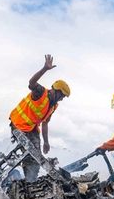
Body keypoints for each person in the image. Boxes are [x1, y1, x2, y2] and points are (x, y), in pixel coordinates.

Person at [9, 54, 70, 182]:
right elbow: (31, 83)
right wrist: (44, 69)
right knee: (32, 154)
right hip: (19, 124)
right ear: (56, 91)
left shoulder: (53, 106)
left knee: (37, 156)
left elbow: (45, 124)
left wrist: (46, 142)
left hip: (31, 129)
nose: (62, 99)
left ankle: (30, 180)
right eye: (62, 95)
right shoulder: (41, 92)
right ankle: (29, 181)